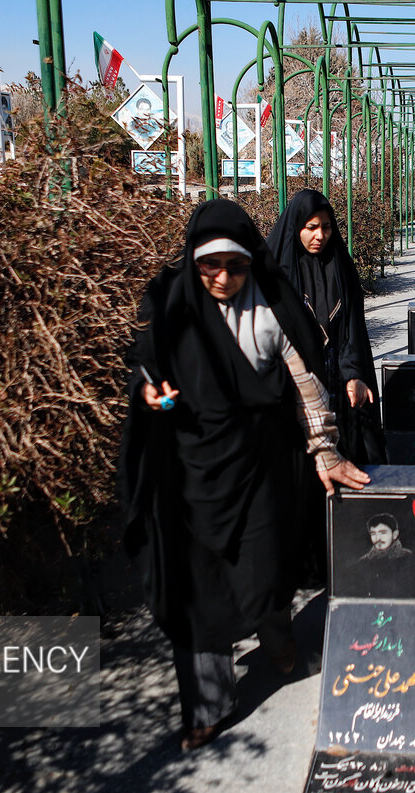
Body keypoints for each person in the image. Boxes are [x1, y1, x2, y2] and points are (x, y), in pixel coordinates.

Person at [120, 199, 370, 752]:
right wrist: (151, 396)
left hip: (259, 469)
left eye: (234, 266)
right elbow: (146, 371)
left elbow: (306, 385)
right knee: (196, 591)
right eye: (211, 266)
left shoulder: (270, 307)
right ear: (194, 262)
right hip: (190, 476)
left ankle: (275, 632)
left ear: (249, 261)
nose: (224, 278)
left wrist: (325, 451)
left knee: (263, 570)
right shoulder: (173, 306)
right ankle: (207, 706)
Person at [267, 189, 385, 465]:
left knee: (342, 452)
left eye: (326, 227)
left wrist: (354, 374)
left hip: (336, 381)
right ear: (296, 226)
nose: (320, 235)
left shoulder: (341, 268)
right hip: (294, 384)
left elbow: (353, 328)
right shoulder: (276, 275)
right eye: (311, 227)